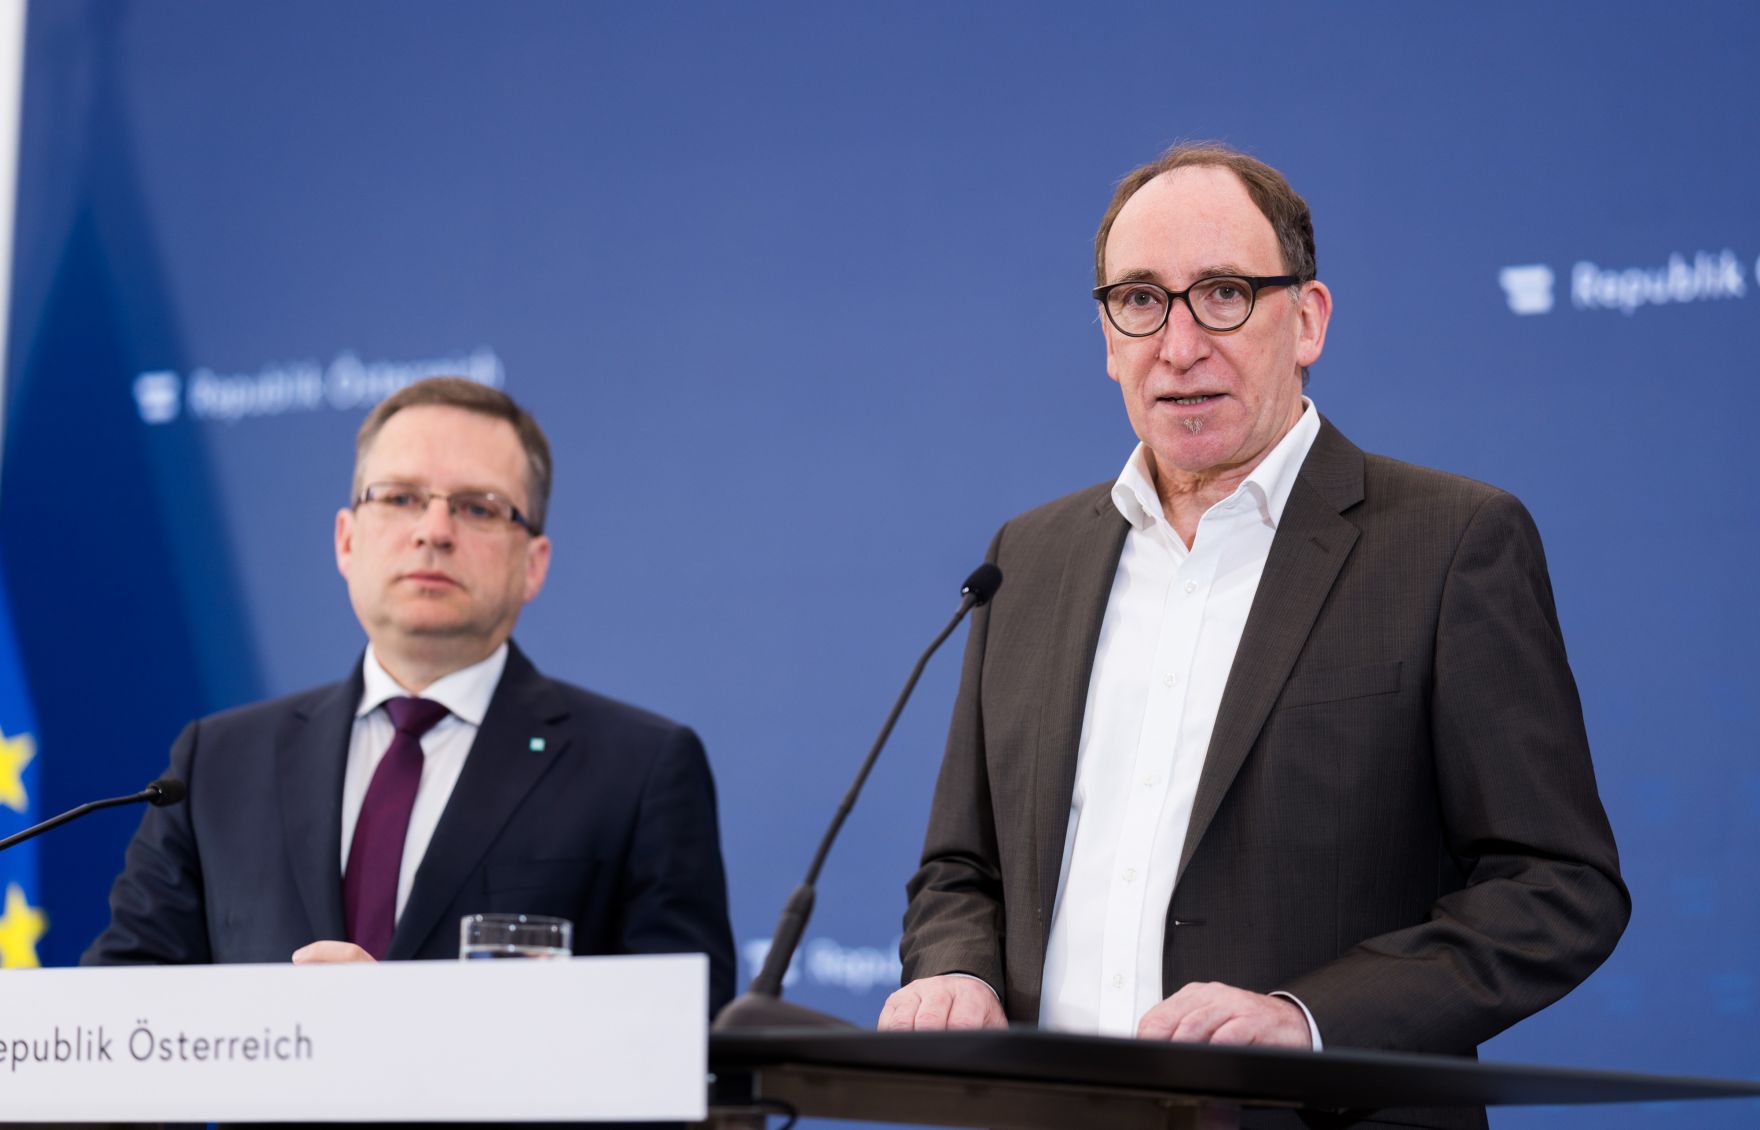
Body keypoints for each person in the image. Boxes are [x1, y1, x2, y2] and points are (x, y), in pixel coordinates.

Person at [881, 144, 1627, 1127]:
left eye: (1223, 294)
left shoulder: (1449, 544)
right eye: (1139, 300)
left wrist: (1308, 1021)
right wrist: (955, 971)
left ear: (1307, 319)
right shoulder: (1028, 557)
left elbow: (1556, 888)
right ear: (1106, 337)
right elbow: (959, 868)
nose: (1179, 343)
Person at [84, 376, 735, 1013]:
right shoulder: (217, 764)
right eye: (400, 498)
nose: (434, 530)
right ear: (346, 540)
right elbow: (115, 1015)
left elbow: (683, 1036)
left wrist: (407, 1028)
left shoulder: (638, 771)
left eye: (478, 507)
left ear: (533, 564)